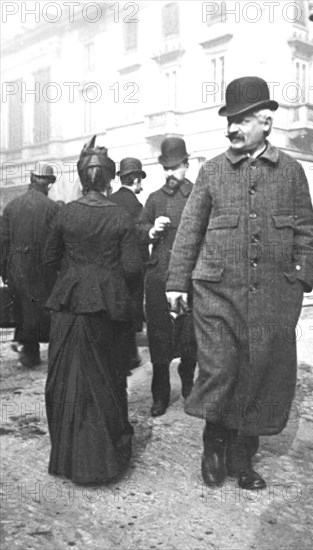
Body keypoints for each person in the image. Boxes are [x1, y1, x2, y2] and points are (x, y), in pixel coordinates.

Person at [166, 76, 313, 490]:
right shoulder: (213, 171)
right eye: (229, 121)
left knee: (259, 374)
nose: (232, 128)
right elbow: (190, 231)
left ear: (266, 122)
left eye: (242, 120)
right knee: (221, 370)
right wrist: (176, 283)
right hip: (216, 294)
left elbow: (306, 230)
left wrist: (300, 280)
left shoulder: (291, 172)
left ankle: (242, 457)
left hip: (272, 297)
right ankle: (213, 447)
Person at [43, 136, 143, 484]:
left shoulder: (65, 213)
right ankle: (104, 462)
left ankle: (70, 460)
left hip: (70, 306)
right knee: (107, 379)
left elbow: (49, 258)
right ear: (109, 179)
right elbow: (132, 267)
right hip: (107, 308)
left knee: (66, 381)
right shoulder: (120, 216)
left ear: (82, 178)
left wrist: (76, 274)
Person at [138, 137, 197, 417]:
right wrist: (151, 229)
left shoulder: (198, 197)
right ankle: (160, 395)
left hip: (187, 283)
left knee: (188, 339)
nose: (170, 174)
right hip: (160, 280)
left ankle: (189, 388)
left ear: (187, 165)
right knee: (159, 340)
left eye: (175, 167)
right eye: (166, 168)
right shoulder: (154, 199)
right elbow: (137, 229)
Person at [0, 163, 59, 367]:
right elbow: (56, 241)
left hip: (16, 265)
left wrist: (4, 271)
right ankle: (54, 355)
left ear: (31, 180)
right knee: (46, 309)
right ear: (48, 184)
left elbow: (3, 241)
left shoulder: (11, 206)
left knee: (22, 309)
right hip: (42, 266)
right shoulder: (52, 208)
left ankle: (30, 353)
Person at [110, 157, 149, 373]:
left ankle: (119, 355)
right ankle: (129, 356)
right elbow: (140, 239)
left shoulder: (110, 200)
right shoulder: (135, 205)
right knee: (130, 311)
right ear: (134, 180)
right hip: (132, 267)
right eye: (140, 180)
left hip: (111, 265)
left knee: (116, 310)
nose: (141, 186)